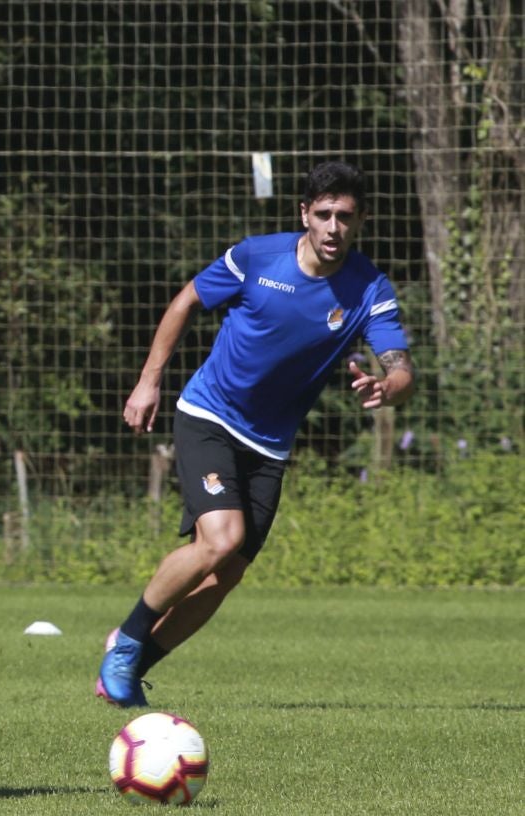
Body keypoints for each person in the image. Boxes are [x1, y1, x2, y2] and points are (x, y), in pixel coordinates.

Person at [97, 160, 415, 707]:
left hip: (269, 445)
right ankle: (126, 641)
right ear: (304, 215)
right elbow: (186, 301)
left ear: (359, 221)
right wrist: (148, 383)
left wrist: (391, 386)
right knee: (222, 538)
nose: (334, 227)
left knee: (225, 576)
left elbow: (402, 364)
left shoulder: (368, 286)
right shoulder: (256, 257)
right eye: (324, 214)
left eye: (345, 216)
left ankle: (127, 674)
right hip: (209, 415)